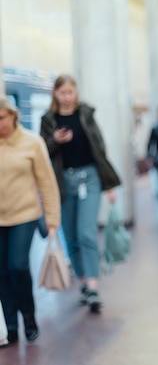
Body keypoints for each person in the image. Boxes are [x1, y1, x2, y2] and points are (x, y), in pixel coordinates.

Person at [40, 75, 121, 314]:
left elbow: (100, 148)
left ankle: (93, 286)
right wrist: (55, 140)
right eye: (62, 92)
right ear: (55, 94)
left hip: (90, 177)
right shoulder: (48, 119)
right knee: (71, 235)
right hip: (63, 182)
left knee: (87, 232)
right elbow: (42, 150)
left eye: (70, 92)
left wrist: (109, 186)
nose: (66, 97)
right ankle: (84, 281)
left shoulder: (86, 114)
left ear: (75, 93)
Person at [0, 97, 60, 346]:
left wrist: (52, 218)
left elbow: (47, 182)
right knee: (1, 272)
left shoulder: (32, 143)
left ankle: (29, 317)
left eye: (1, 118)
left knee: (17, 266)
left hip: (25, 215)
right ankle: (10, 325)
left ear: (13, 115)